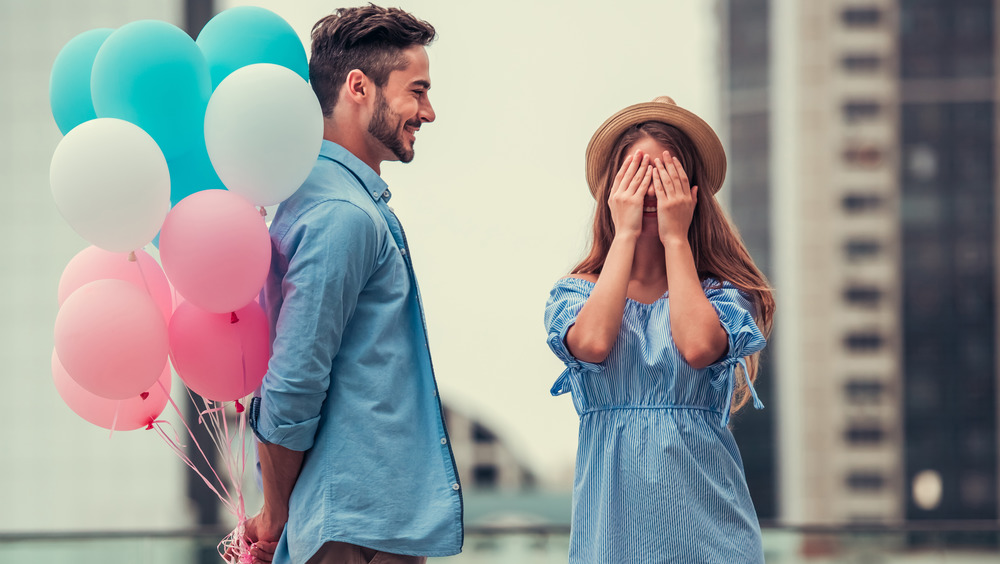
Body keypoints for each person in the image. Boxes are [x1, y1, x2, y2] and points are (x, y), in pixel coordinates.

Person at [241, 6, 462, 564]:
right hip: (355, 529)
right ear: (359, 87)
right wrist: (275, 513)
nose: (428, 112)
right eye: (417, 90)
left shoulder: (329, 200)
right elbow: (295, 379)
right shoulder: (341, 213)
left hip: (365, 523)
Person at [543, 96, 775, 563]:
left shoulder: (722, 295)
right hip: (613, 541)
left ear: (691, 192)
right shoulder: (574, 294)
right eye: (636, 176)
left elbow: (696, 346)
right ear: (612, 188)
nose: (650, 191)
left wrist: (674, 238)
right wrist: (625, 233)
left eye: (664, 176)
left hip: (711, 539)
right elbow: (591, 343)